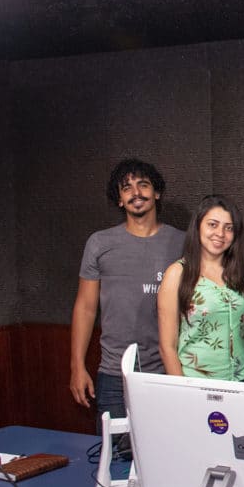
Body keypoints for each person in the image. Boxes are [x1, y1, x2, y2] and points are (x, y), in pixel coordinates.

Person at [70, 158, 184, 422]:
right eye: (127, 188)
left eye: (143, 185)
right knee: (117, 458)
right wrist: (77, 366)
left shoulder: (181, 243)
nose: (136, 193)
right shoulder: (100, 243)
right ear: (119, 199)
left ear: (156, 192)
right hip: (114, 374)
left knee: (168, 454)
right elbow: (85, 308)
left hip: (168, 371)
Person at [157, 195, 244, 381]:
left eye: (229, 228)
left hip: (243, 379)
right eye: (213, 224)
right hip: (196, 381)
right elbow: (167, 346)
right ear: (198, 226)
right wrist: (182, 390)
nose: (220, 233)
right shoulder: (177, 274)